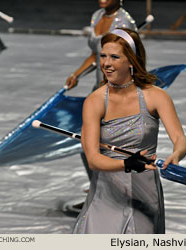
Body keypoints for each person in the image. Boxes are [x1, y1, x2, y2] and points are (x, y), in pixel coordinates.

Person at [72, 28, 186, 234]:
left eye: (114, 57)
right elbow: (92, 159)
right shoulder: (95, 101)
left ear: (131, 61)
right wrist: (126, 163)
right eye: (103, 56)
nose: (106, 63)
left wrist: (177, 154)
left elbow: (179, 138)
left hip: (146, 193)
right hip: (107, 193)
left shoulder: (156, 97)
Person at [63, 0, 137, 213]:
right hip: (99, 91)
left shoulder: (125, 22)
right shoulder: (97, 16)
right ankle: (102, 192)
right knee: (86, 143)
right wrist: (76, 74)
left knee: (108, 145)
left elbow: (131, 61)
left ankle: (114, 197)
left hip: (118, 93)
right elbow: (96, 54)